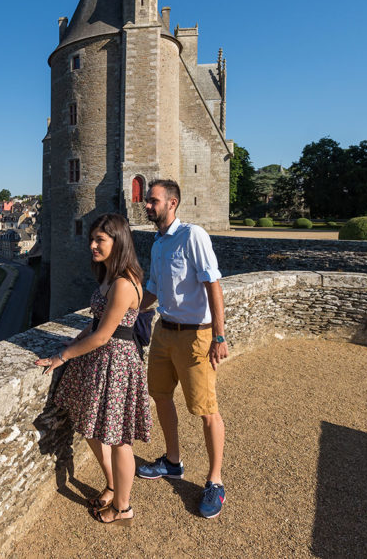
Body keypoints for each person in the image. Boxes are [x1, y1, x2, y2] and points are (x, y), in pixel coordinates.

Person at [35, 213, 152, 526]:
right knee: (88, 426)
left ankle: (124, 508)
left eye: (100, 239)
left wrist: (63, 355)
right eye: (92, 238)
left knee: (119, 442)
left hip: (117, 364)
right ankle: (113, 486)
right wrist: (77, 339)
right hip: (102, 362)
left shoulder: (125, 283)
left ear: (118, 241)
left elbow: (104, 335)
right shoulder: (110, 277)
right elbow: (96, 325)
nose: (92, 245)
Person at [134, 179, 229, 519]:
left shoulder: (193, 236)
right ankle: (173, 461)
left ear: (172, 203)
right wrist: (127, 314)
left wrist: (218, 336)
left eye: (153, 200)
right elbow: (154, 291)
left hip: (195, 336)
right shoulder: (158, 243)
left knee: (206, 410)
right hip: (164, 331)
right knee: (159, 395)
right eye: (147, 200)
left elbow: (213, 284)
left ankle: (215, 481)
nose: (147, 205)